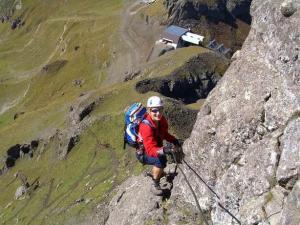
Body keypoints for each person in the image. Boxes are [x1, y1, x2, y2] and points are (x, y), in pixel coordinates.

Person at [138, 96, 180, 195]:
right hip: (143, 152)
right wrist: (164, 150)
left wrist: (174, 140)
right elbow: (150, 150)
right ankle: (154, 183)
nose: (158, 113)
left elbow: (164, 134)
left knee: (163, 160)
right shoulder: (145, 127)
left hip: (154, 147)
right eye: (155, 110)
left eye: (160, 109)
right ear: (149, 110)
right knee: (160, 161)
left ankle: (159, 173)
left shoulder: (161, 120)